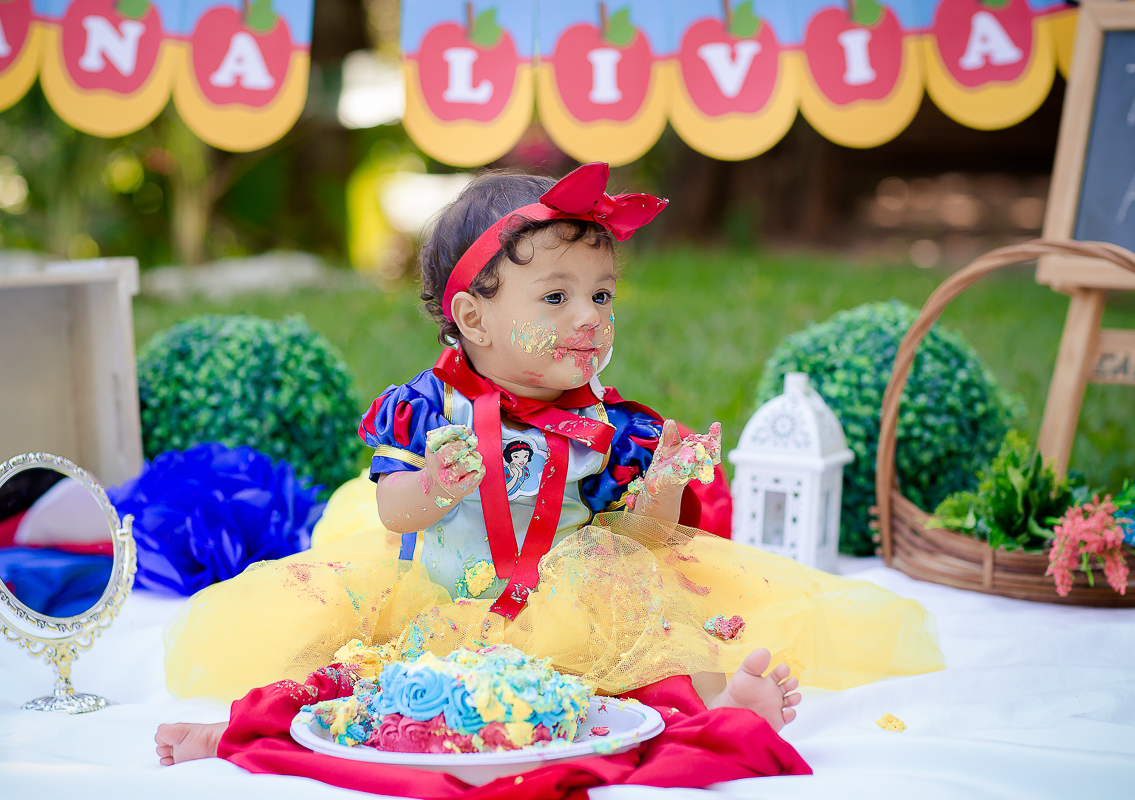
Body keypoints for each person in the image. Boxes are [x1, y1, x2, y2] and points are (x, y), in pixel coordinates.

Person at [155, 164, 943, 770]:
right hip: (447, 594)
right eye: (557, 298)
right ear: (474, 317)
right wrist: (434, 487)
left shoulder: (608, 423)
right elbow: (394, 510)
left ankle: (724, 705)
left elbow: (643, 539)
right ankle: (234, 732)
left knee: (640, 658)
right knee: (369, 683)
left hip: (573, 595)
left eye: (601, 296)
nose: (590, 319)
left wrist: (664, 480)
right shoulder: (428, 407)